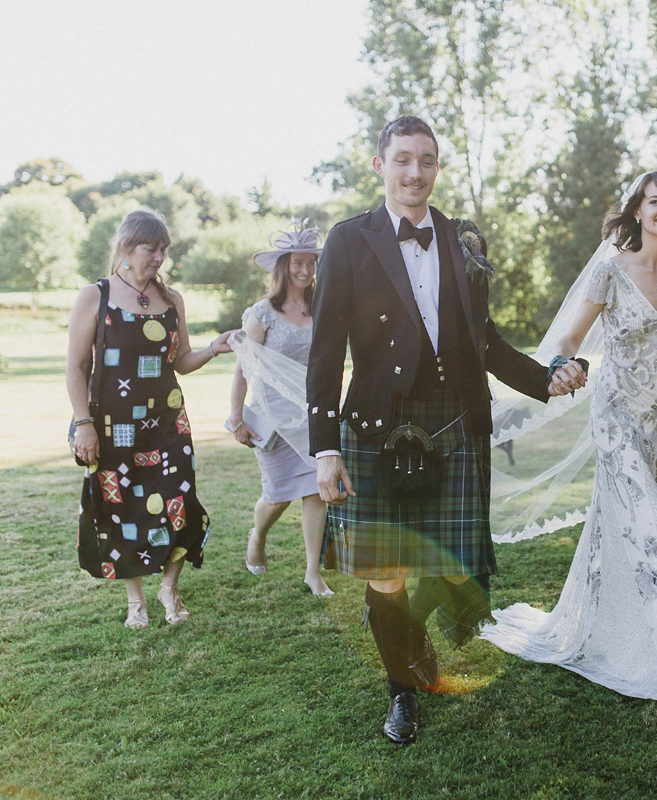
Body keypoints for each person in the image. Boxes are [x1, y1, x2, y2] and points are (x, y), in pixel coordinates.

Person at [306, 115, 584, 745]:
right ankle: (403, 688)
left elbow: (482, 340)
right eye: (402, 159)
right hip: (376, 426)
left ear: (437, 167)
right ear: (380, 165)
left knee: (454, 567)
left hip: (454, 420)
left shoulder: (463, 238)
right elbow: (325, 352)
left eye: (426, 161)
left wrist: (545, 380)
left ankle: (411, 643)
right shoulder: (350, 240)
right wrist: (325, 447)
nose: (415, 172)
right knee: (387, 571)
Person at [481, 170, 657, 711]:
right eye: (655, 201)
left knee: (618, 527)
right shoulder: (610, 271)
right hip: (617, 417)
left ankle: (598, 626)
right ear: (638, 211)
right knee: (650, 529)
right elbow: (568, 340)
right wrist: (565, 365)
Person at [67, 208, 235, 628]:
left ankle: (169, 587)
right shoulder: (96, 296)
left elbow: (180, 360)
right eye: (151, 248)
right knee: (122, 508)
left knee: (181, 501)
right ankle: (135, 601)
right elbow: (74, 367)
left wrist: (215, 346)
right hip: (112, 427)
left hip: (167, 423)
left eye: (163, 249)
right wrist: (83, 423)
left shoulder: (170, 298)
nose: (159, 257)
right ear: (126, 247)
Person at [229, 220, 331, 596]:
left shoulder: (322, 307)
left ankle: (312, 572)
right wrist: (237, 417)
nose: (304, 271)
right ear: (283, 266)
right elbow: (243, 369)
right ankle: (258, 535)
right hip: (271, 418)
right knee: (276, 495)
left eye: (310, 263)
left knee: (316, 491)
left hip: (311, 415)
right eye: (297, 263)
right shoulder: (263, 313)